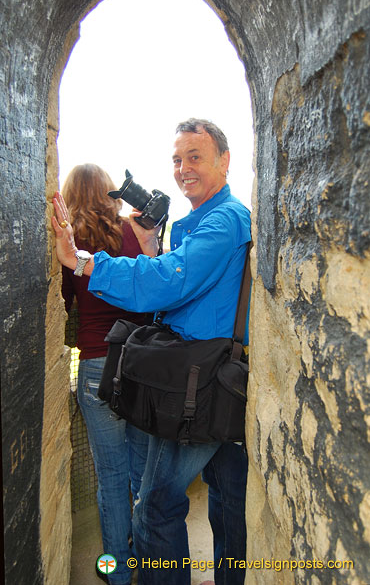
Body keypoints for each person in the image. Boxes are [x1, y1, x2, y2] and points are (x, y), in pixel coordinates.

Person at [52, 120, 251, 585]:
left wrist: (81, 261)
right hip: (207, 374)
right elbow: (174, 280)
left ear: (225, 160)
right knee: (224, 497)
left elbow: (170, 282)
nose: (183, 169)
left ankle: (124, 572)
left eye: (195, 157)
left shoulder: (222, 220)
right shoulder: (203, 220)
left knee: (155, 509)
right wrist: (148, 245)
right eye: (177, 159)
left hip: (200, 382)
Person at [59, 164, 149, 585]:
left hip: (97, 363)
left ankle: (116, 569)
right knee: (143, 467)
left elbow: (63, 304)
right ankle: (151, 558)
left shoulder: (70, 243)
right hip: (140, 362)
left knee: (110, 474)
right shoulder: (131, 232)